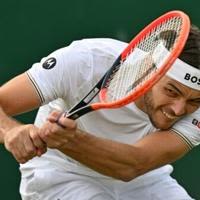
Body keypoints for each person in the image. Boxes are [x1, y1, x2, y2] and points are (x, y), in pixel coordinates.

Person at [1, 24, 200, 200]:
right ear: (150, 68)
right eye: (171, 91)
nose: (179, 109)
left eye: (195, 100)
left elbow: (134, 164)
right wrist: (10, 130)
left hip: (145, 180)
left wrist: (71, 139)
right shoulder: (85, 61)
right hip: (60, 175)